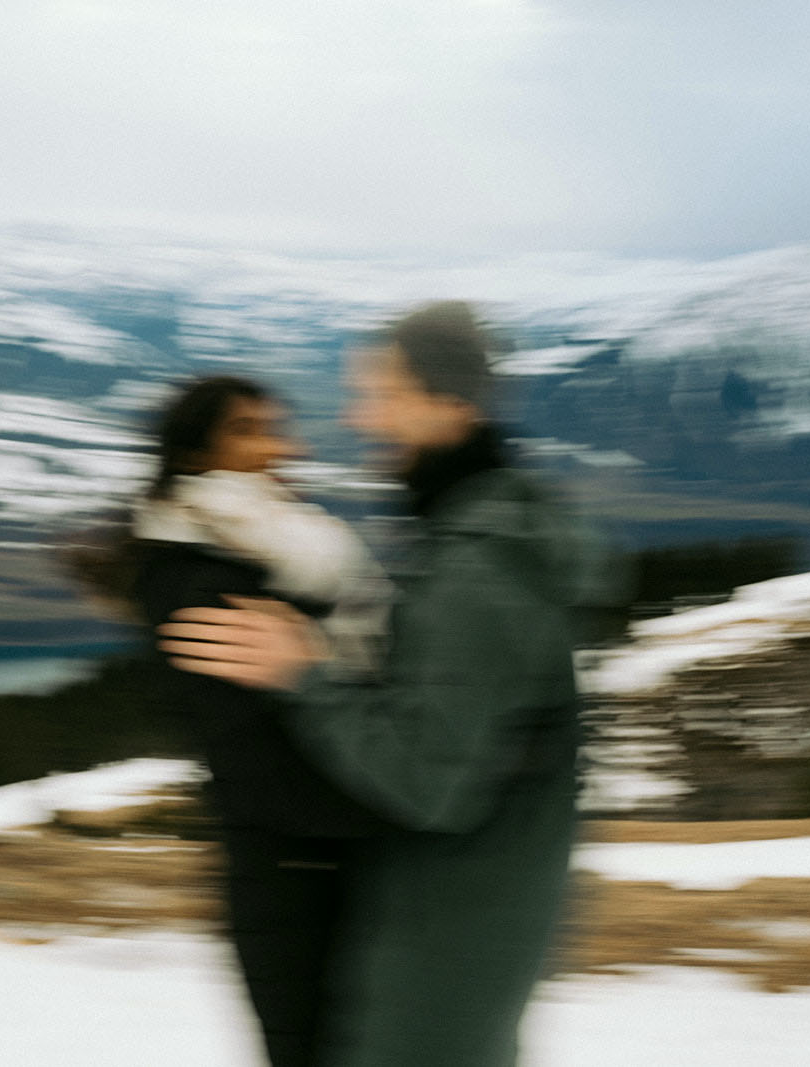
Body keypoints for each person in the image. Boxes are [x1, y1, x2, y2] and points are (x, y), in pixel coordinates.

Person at [160, 302, 611, 1066]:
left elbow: (426, 778)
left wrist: (305, 672)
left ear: (451, 403)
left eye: (378, 393)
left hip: (444, 945)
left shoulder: (480, 571)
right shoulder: (475, 535)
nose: (357, 415)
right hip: (454, 924)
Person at [128, 375, 394, 1067]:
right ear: (192, 455)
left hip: (325, 861)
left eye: (279, 426)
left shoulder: (273, 554)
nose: (284, 446)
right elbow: (253, 760)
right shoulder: (196, 576)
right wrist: (403, 809)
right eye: (250, 429)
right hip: (289, 879)